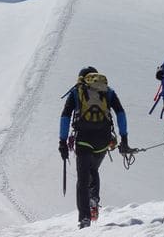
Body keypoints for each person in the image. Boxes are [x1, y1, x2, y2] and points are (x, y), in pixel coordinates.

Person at [58, 66, 131, 229]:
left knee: (83, 179)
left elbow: (65, 116)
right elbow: (120, 113)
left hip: (83, 139)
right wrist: (124, 138)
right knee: (93, 170)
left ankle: (84, 219)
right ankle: (94, 200)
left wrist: (62, 142)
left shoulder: (77, 92)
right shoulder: (108, 91)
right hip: (103, 140)